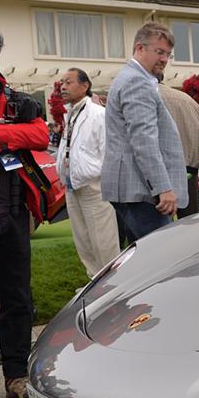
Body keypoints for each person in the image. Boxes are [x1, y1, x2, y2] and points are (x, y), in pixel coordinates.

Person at [0, 22, 50, 398]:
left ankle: (17, 375)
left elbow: (39, 136)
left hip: (15, 214)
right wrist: (7, 137)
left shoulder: (15, 99)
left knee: (18, 299)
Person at [101, 22, 188, 241]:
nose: (164, 59)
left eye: (168, 54)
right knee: (164, 257)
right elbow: (144, 141)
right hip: (140, 190)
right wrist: (163, 188)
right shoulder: (136, 82)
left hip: (133, 188)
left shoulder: (131, 78)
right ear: (140, 48)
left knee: (140, 260)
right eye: (159, 52)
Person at [56, 68, 120, 277]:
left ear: (85, 86)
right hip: (73, 186)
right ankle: (93, 285)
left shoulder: (98, 114)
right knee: (83, 241)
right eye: (62, 82)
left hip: (95, 187)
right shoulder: (70, 114)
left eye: (69, 82)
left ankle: (113, 287)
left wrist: (94, 175)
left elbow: (109, 151)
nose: (63, 87)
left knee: (104, 243)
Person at [158, 76, 199, 219]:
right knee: (188, 220)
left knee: (160, 223)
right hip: (189, 166)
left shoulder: (146, 96)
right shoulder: (188, 100)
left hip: (161, 168)